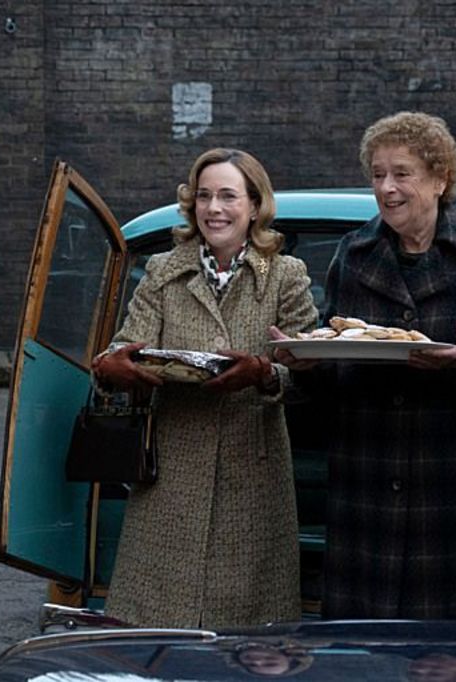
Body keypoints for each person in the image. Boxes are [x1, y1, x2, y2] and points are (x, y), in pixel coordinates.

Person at [276, 111, 456, 620]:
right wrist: (305, 364)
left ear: (439, 178)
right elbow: (336, 367)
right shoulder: (354, 253)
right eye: (377, 174)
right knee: (364, 652)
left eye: (402, 173)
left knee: (450, 661)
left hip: (449, 489)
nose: (387, 188)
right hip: (368, 487)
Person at [93, 148, 319, 628]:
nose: (214, 208)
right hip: (171, 472)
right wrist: (118, 367)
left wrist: (263, 372)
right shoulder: (163, 270)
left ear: (255, 206)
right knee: (159, 629)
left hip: (253, 474)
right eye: (204, 196)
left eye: (228, 196)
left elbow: (309, 372)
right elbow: (125, 347)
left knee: (249, 640)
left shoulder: (285, 275)